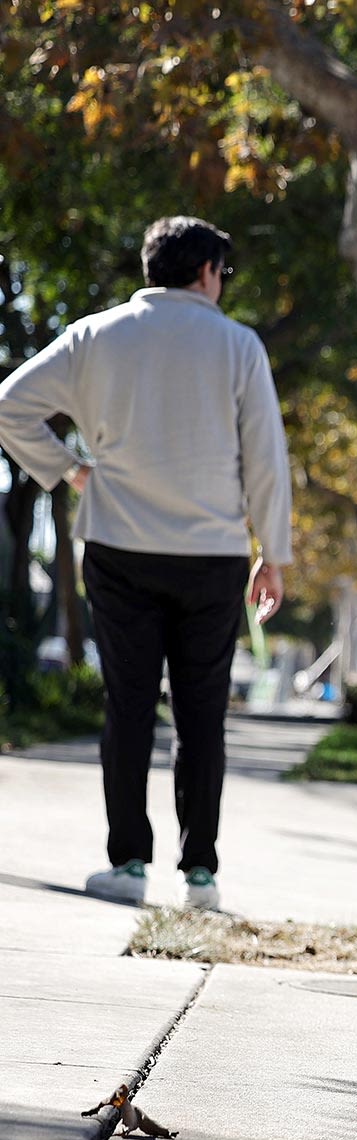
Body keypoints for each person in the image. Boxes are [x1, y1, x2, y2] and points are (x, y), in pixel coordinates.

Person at [0, 216, 291, 911]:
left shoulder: (95, 335)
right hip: (213, 556)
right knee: (201, 717)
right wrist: (271, 555)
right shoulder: (238, 346)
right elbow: (266, 458)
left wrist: (68, 471)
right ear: (206, 271)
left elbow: (10, 405)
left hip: (118, 548)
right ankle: (200, 877)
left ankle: (128, 863)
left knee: (127, 708)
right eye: (224, 272)